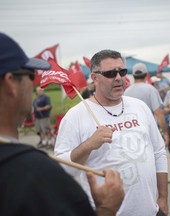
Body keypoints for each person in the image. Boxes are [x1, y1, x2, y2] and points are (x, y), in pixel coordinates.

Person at [0, 32, 124, 216]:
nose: (34, 84)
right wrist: (106, 209)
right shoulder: (34, 173)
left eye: (122, 71)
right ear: (11, 83)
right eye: (30, 74)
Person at [54, 49, 168, 216]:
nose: (118, 78)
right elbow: (62, 170)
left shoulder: (139, 106)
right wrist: (89, 145)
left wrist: (163, 197)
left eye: (122, 72)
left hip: (152, 211)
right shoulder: (75, 116)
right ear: (94, 77)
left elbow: (158, 152)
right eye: (110, 73)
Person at [124, 63, 169, 146]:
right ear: (146, 75)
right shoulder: (151, 89)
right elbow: (159, 113)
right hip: (149, 132)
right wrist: (165, 133)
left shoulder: (127, 92)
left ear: (133, 75)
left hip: (132, 133)